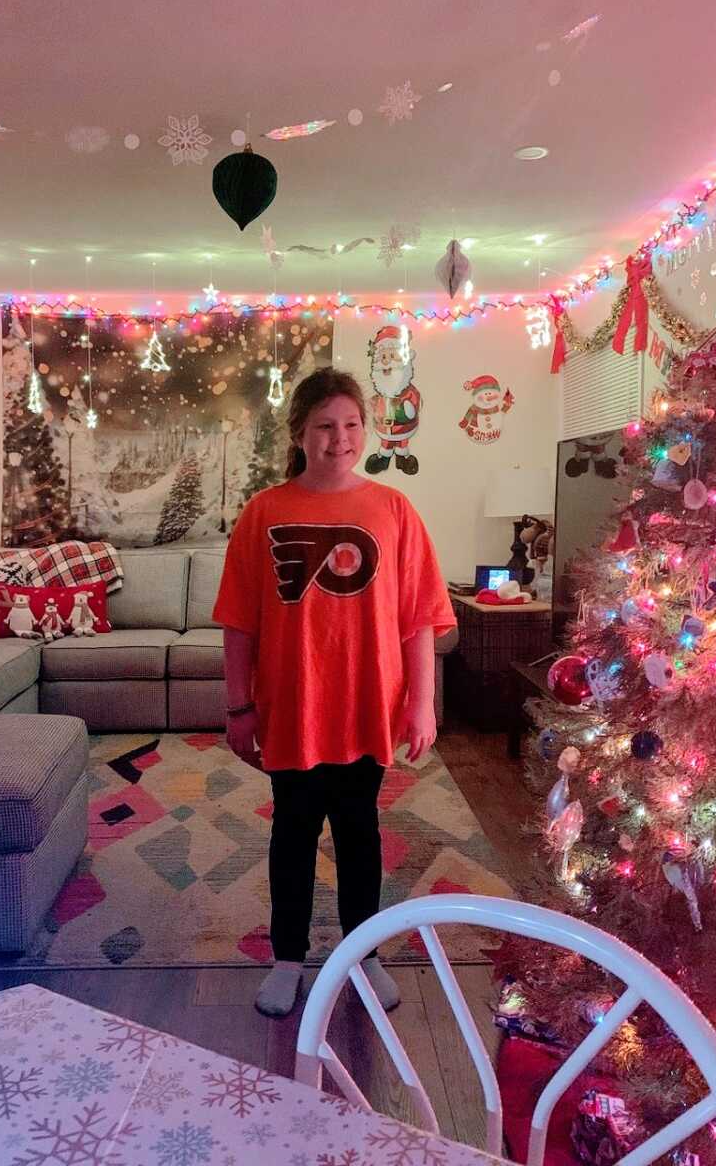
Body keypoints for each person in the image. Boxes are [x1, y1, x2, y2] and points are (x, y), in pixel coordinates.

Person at [212, 366, 456, 1017]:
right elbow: (238, 622)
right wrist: (239, 707)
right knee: (292, 834)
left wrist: (421, 702)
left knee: (359, 835)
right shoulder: (264, 511)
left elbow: (420, 620)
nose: (340, 438)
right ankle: (287, 959)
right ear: (300, 433)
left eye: (351, 425)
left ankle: (361, 952)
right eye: (325, 426)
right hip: (292, 711)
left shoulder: (393, 510)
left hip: (367, 709)